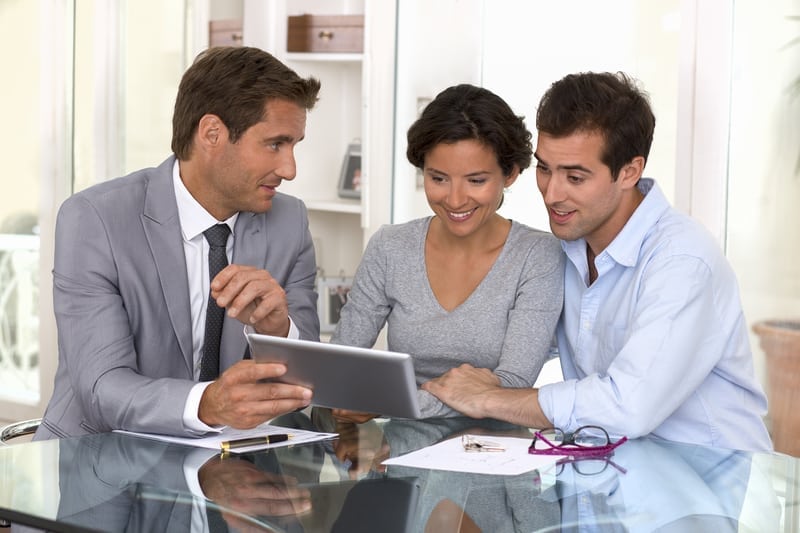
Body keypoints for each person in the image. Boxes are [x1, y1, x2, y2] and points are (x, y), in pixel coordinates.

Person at [423, 71, 773, 452]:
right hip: (612, 478)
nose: (552, 194)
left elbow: (627, 406)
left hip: (702, 491)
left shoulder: (682, 261)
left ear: (629, 172)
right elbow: (503, 344)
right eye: (544, 169)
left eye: (575, 177)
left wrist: (489, 399)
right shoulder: (564, 251)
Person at [35, 46, 322, 440]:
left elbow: (307, 383)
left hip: (224, 470)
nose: (290, 169)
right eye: (275, 144)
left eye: (295, 146)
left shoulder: (290, 222)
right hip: (99, 463)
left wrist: (277, 330)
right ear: (211, 134)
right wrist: (208, 403)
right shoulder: (95, 219)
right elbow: (102, 388)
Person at [329, 83, 564, 421]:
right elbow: (342, 362)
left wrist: (386, 401)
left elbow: (512, 386)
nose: (455, 200)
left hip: (493, 453)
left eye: (476, 181)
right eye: (438, 178)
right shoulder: (390, 247)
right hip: (401, 454)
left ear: (510, 174)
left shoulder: (538, 257)